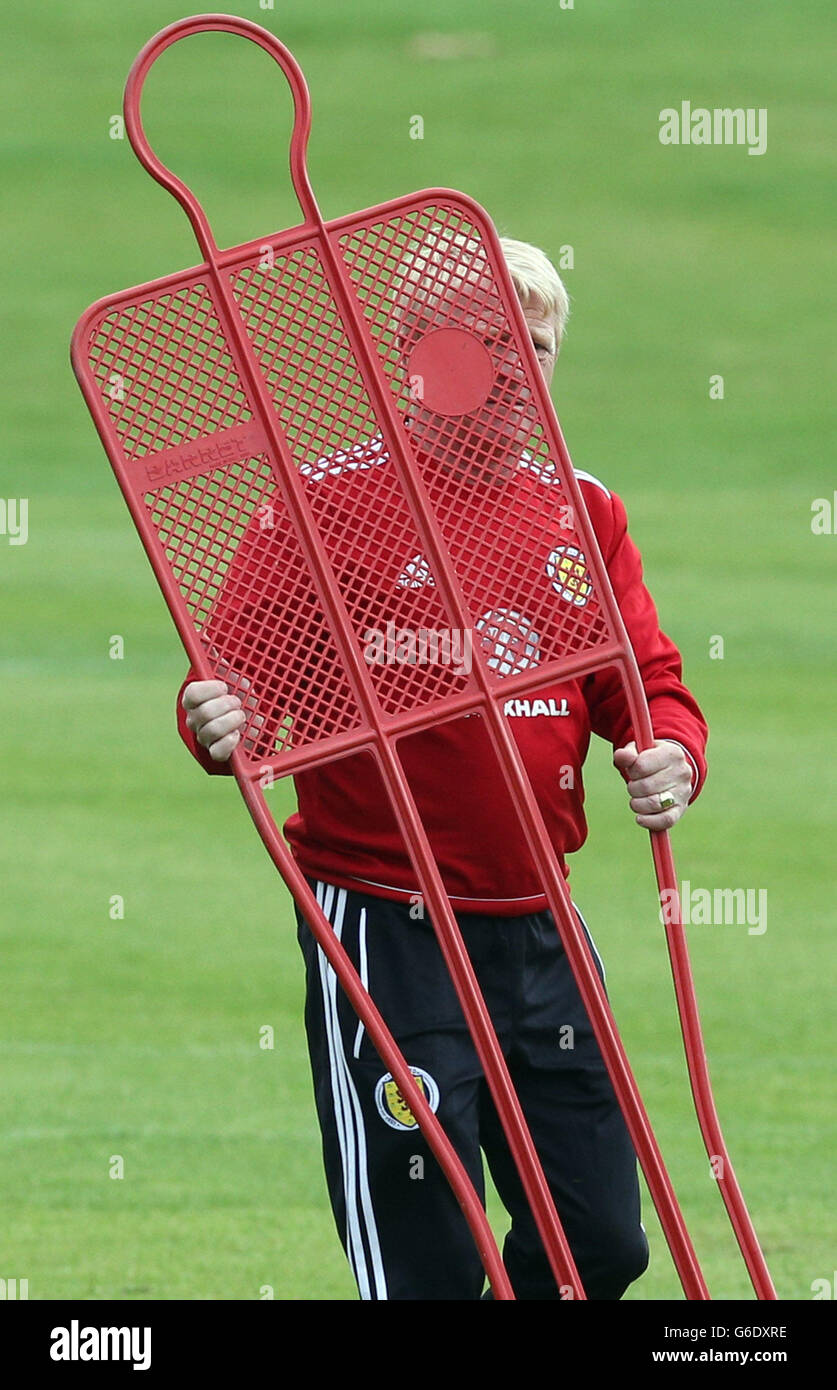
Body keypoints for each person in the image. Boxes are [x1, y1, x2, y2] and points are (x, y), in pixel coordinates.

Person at [176, 235, 708, 1301]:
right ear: (415, 356)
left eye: (539, 348)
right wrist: (214, 719)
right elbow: (234, 691)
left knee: (599, 1241)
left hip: (543, 920)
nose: (518, 372)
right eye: (487, 346)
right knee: (426, 1257)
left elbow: (643, 677)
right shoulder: (322, 502)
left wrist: (669, 753)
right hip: (383, 920)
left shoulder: (584, 505)